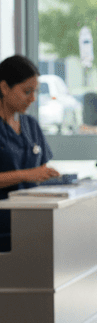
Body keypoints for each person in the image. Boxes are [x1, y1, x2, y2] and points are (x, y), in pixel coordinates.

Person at [0, 55, 60, 252]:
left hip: (33, 223)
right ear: (4, 88)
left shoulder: (30, 125)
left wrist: (50, 176)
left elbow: (40, 168)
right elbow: (30, 174)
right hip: (4, 225)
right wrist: (26, 175)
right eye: (26, 91)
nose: (32, 99)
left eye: (35, 92)